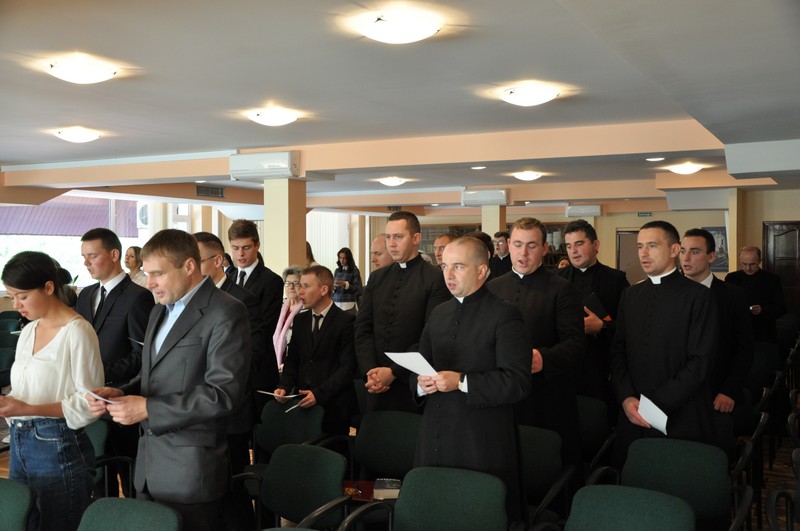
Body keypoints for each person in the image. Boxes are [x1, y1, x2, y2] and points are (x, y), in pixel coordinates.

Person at [87, 229, 251, 531]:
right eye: (147, 273)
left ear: (189, 266)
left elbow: (223, 395)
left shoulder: (226, 311)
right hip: (148, 467)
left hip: (191, 471)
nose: (149, 283)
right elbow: (150, 376)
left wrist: (148, 408)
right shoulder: (158, 311)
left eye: (158, 274)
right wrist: (120, 392)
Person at [415, 236, 531, 524]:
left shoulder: (505, 314)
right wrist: (420, 384)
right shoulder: (439, 313)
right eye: (444, 267)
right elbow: (421, 366)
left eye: (458, 266)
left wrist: (462, 381)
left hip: (480, 439)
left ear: (481, 271)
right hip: (435, 433)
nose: (449, 275)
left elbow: (517, 382)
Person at [1, 251, 104, 531]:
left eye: (22, 296)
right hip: (20, 439)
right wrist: (10, 403)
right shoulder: (29, 330)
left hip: (57, 443)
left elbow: (89, 403)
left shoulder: (77, 331)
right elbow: (24, 390)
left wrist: (27, 408)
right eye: (12, 296)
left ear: (48, 287)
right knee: (24, 522)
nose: (16, 304)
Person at [611, 221, 719, 466]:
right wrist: (626, 397)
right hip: (632, 412)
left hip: (681, 413)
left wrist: (654, 404)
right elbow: (618, 351)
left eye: (652, 246)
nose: (644, 253)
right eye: (640, 246)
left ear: (674, 250)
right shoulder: (630, 295)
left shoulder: (699, 296)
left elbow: (700, 362)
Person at [487, 217, 585, 468]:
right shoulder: (492, 288)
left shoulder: (562, 289)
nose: (523, 253)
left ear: (544, 248)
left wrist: (543, 358)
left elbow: (575, 344)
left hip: (545, 396)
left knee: (543, 466)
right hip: (502, 395)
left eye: (531, 246)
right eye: (518, 244)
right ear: (508, 245)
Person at [76, 228, 154, 497]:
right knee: (97, 476)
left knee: (128, 475)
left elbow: (141, 355)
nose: (86, 263)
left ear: (114, 254)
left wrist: (100, 373)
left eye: (92, 256)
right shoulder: (85, 295)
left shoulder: (138, 296)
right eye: (84, 257)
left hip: (122, 398)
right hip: (89, 400)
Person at [194, 231, 264, 531]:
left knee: (233, 488)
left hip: (231, 406)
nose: (191, 268)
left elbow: (252, 354)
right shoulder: (192, 299)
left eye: (197, 261)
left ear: (218, 260)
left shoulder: (242, 299)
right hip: (199, 408)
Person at [355, 211, 450, 412]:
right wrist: (370, 371)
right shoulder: (377, 277)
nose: (391, 243)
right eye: (388, 237)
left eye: (398, 237)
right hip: (375, 382)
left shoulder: (435, 279)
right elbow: (362, 328)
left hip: (411, 380)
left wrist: (393, 372)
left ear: (416, 239)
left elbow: (430, 335)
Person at [681, 229, 754, 437]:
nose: (686, 258)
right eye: (683, 251)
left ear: (711, 256)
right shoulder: (668, 294)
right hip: (677, 393)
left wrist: (729, 390)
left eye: (695, 251)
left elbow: (744, 349)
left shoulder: (733, 296)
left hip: (716, 392)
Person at [275, 265, 357, 435]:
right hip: (302, 402)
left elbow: (347, 368)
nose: (300, 292)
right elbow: (293, 360)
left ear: (324, 290)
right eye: (300, 286)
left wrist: (319, 394)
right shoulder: (300, 320)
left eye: (306, 286)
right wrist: (284, 386)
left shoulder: (346, 321)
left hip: (333, 406)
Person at [557, 219, 629, 414]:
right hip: (565, 367)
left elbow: (629, 326)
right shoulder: (556, 279)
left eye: (579, 244)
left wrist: (602, 327)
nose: (573, 251)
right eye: (569, 246)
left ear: (595, 245)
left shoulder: (616, 279)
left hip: (600, 366)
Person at [227, 219, 282, 410]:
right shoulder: (228, 279)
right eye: (235, 248)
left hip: (259, 366)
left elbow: (266, 327)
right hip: (230, 366)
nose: (240, 254)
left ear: (257, 245)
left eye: (246, 247)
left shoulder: (271, 280)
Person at [725, 246, 787, 344]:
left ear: (759, 261)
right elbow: (726, 305)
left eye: (752, 264)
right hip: (737, 334)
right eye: (744, 264)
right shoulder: (731, 278)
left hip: (764, 335)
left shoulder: (772, 280)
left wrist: (762, 310)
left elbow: (781, 308)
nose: (747, 268)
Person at [333, 247, 363, 314]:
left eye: (344, 258)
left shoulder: (354, 271)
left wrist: (345, 285)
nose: (342, 260)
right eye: (340, 258)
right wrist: (333, 287)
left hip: (348, 305)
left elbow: (358, 289)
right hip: (336, 304)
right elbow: (333, 290)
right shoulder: (337, 271)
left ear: (348, 259)